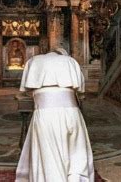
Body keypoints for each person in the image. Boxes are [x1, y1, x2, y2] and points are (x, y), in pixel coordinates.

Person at [15, 48, 94, 182]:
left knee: (50, 158)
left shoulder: (34, 62)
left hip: (46, 115)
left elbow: (28, 91)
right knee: (77, 154)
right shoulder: (71, 62)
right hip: (72, 113)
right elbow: (80, 93)